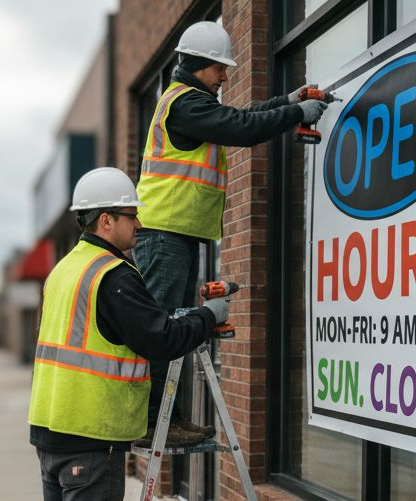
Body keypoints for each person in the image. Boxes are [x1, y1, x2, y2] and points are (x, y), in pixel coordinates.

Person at [28, 167, 228, 501]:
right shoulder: (113, 275)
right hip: (91, 434)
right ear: (105, 220)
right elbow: (160, 338)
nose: (139, 226)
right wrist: (209, 316)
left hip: (52, 427)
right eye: (131, 216)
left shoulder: (65, 269)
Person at [133, 20, 328, 445]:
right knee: (163, 329)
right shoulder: (185, 104)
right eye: (219, 67)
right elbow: (240, 127)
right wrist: (296, 114)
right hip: (165, 233)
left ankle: (169, 419)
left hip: (175, 233)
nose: (224, 75)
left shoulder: (193, 103)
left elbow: (240, 116)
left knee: (175, 327)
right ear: (198, 64)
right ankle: (150, 423)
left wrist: (287, 101)